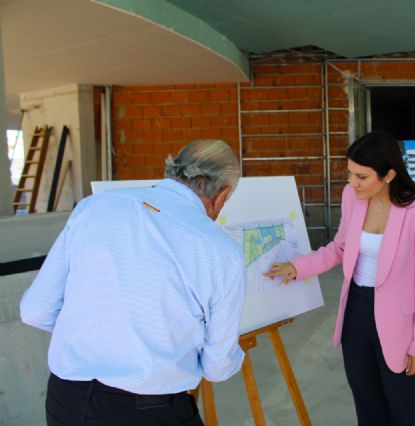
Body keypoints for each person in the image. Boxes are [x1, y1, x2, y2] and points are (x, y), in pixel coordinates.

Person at [20, 139, 246, 426]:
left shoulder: (94, 206)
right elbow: (217, 367)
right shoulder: (222, 251)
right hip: (148, 411)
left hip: (66, 400)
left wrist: (104, 334)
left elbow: (35, 310)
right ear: (222, 194)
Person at [265, 131, 415, 426]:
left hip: (399, 322)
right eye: (349, 174)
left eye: (361, 176)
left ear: (388, 175)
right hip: (356, 312)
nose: (351, 183)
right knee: (367, 404)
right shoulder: (353, 197)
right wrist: (298, 267)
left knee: (405, 410)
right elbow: (340, 248)